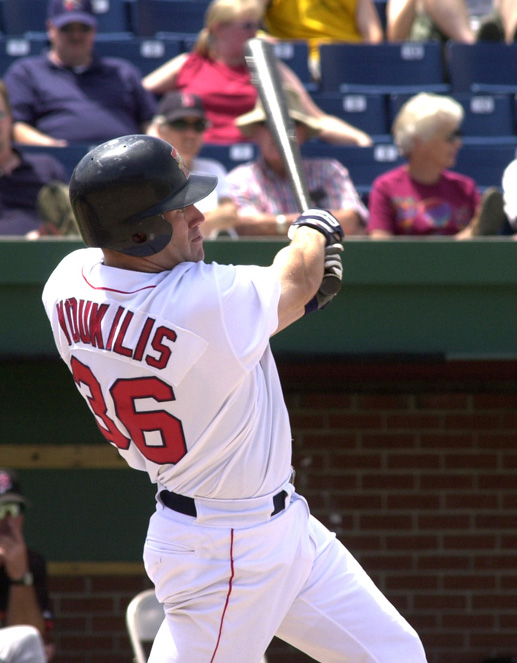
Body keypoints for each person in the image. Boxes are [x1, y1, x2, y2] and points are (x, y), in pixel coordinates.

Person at [42, 132, 427, 662]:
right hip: (223, 545)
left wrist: (298, 296)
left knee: (395, 655)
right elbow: (297, 277)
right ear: (142, 232)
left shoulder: (65, 284)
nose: (198, 216)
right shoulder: (199, 301)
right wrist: (311, 229)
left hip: (275, 524)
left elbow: (243, 320)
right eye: (178, 209)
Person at [142, 0, 372, 147]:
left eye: (257, 26)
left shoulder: (269, 68)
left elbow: (314, 117)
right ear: (219, 28)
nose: (256, 33)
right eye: (248, 26)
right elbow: (137, 96)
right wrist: (153, 127)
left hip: (252, 166)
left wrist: (359, 139)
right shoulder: (187, 64)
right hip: (198, 157)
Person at [3, 0, 156, 147]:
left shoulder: (122, 72)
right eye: (67, 28)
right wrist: (52, 147)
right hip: (59, 165)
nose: (76, 36)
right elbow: (16, 125)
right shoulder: (27, 72)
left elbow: (149, 121)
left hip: (124, 163)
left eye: (83, 28)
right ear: (50, 29)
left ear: (94, 30)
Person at [227, 86, 368, 236]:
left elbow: (350, 222)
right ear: (255, 132)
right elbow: (246, 227)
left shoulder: (329, 171)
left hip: (325, 259)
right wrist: (319, 223)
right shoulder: (239, 179)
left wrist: (276, 225)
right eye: (268, 124)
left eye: (288, 125)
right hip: (262, 259)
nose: (277, 133)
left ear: (303, 133)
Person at [367, 92, 506, 237]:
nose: (458, 143)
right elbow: (380, 249)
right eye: (451, 136)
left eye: (459, 135)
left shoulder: (465, 188)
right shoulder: (386, 188)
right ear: (419, 142)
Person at [147, 91, 238, 238]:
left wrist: (185, 226)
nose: (190, 134)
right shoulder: (147, 172)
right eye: (180, 124)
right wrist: (207, 223)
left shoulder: (213, 168)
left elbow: (230, 213)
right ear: (160, 129)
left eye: (198, 125)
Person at [0, 79, 74, 237]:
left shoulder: (45, 168)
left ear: (11, 118)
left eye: (0, 114)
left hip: (43, 257)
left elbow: (69, 224)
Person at [0, 469, 54, 662]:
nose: (6, 520)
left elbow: (34, 641)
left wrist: (20, 575)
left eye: (12, 509)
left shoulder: (32, 562)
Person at [261, 0, 384, 79]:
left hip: (350, 61)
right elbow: (246, 17)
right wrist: (264, 39)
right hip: (301, 63)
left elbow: (373, 35)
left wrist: (362, 64)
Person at [386, 0, 517, 43]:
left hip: (500, 35)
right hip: (445, 46)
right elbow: (396, 36)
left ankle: (510, 48)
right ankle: (474, 45)